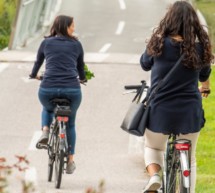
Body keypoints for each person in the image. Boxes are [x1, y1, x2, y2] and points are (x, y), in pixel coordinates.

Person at [139, 1, 214, 193]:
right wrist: (205, 86)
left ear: (169, 20)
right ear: (193, 23)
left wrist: (156, 37)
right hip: (189, 112)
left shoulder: (158, 43)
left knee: (153, 148)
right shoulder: (200, 48)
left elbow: (145, 64)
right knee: (191, 158)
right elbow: (205, 75)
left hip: (160, 110)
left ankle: (155, 175)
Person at [29, 15, 86, 174]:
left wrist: (34, 75)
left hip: (48, 88)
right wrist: (82, 78)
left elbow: (37, 63)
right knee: (71, 124)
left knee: (47, 108)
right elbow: (80, 68)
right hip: (72, 91)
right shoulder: (76, 44)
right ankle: (70, 160)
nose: (74, 27)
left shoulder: (46, 43)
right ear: (66, 27)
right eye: (72, 25)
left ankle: (46, 130)